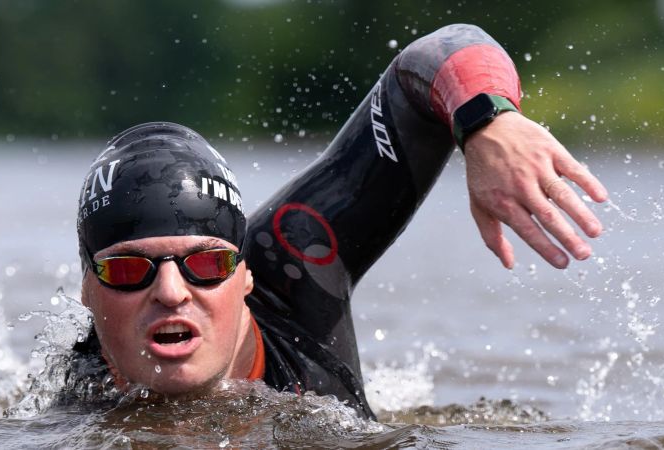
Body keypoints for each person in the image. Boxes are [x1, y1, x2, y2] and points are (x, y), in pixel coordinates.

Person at [70, 24, 608, 419]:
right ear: (88, 293)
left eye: (206, 264)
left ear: (246, 274)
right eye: (126, 271)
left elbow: (439, 52)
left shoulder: (293, 256)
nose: (170, 291)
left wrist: (487, 120)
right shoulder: (78, 402)